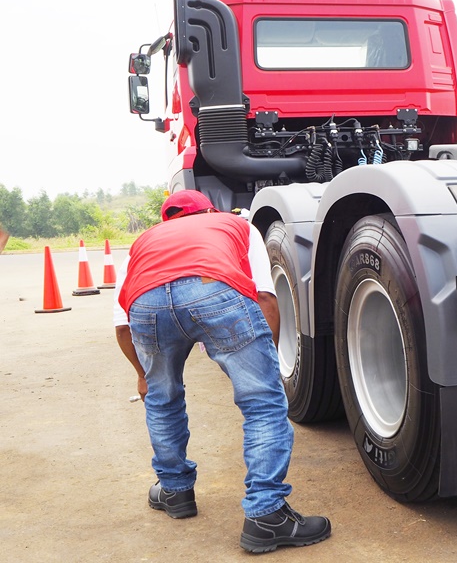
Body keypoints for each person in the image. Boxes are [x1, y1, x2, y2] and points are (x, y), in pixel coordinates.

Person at [113, 190, 330, 554]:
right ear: (210, 210)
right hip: (212, 288)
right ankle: (267, 514)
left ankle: (175, 491)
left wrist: (142, 374)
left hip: (147, 304)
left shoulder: (143, 243)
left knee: (162, 399)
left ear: (166, 222)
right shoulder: (235, 225)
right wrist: (266, 363)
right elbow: (264, 297)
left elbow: (122, 327)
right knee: (262, 404)